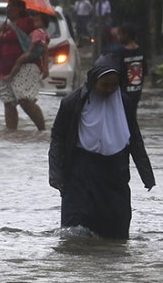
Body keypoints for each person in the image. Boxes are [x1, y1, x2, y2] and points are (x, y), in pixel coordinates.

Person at [48, 56, 155, 239]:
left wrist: (147, 175)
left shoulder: (125, 103)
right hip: (80, 174)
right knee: (75, 234)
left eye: (114, 85)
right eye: (104, 85)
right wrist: (55, 174)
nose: (109, 90)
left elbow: (135, 140)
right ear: (93, 81)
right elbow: (58, 139)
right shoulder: (72, 103)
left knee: (116, 237)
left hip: (115, 175)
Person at [0, 0, 45, 131]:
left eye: (11, 6)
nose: (8, 9)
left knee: (25, 100)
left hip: (26, 66)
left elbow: (43, 38)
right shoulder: (4, 26)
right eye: (7, 6)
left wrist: (45, 66)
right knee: (8, 103)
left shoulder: (28, 23)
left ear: (20, 9)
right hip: (5, 70)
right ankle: (11, 135)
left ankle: (43, 132)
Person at [111, 23, 146, 117]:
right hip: (136, 91)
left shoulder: (120, 53)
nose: (119, 38)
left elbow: (117, 73)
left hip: (124, 92)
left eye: (120, 35)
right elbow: (144, 73)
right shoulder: (141, 51)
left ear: (126, 35)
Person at [6, 11, 50, 81]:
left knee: (19, 61)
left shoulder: (37, 32)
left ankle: (10, 75)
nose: (34, 22)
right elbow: (45, 43)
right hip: (37, 54)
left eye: (37, 21)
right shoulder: (45, 32)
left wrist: (28, 52)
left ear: (43, 22)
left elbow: (34, 43)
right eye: (34, 20)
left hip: (31, 52)